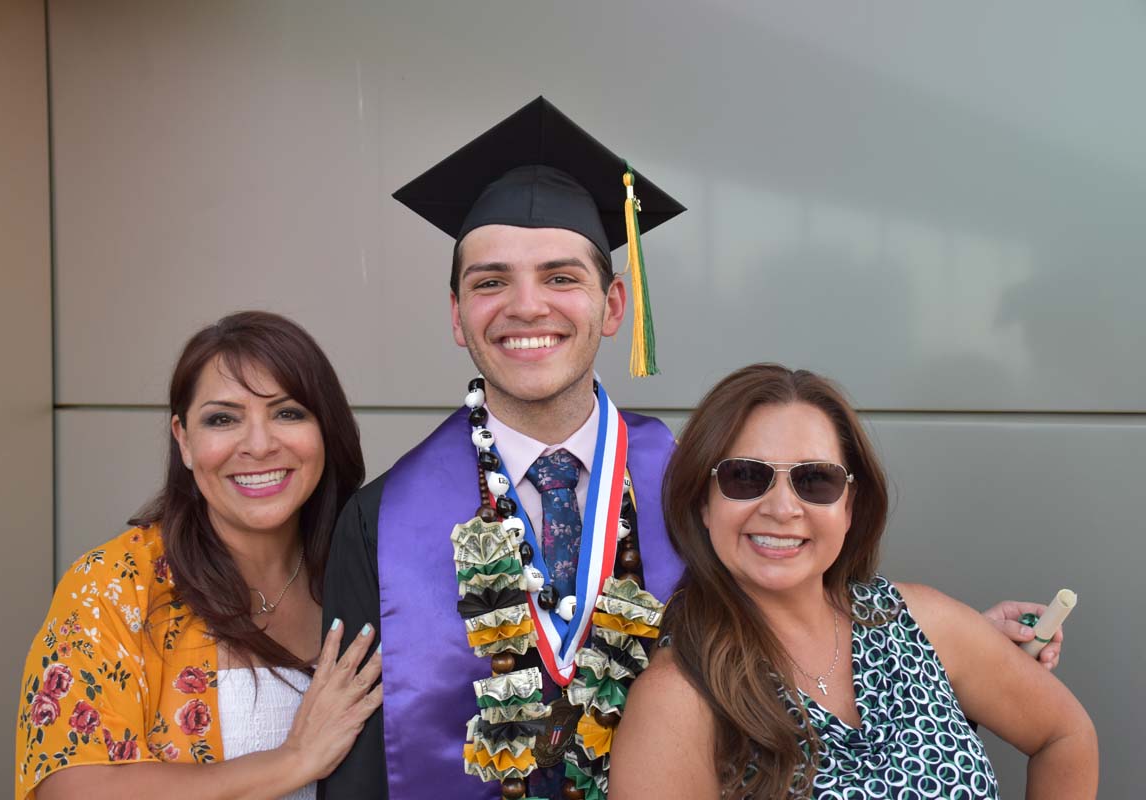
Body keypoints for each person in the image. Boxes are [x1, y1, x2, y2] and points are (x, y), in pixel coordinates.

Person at [320, 99, 1063, 800]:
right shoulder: (381, 524)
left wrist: (960, 652)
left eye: (560, 277)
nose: (526, 306)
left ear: (613, 305)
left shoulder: (700, 485)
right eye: (491, 282)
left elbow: (808, 618)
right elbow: (358, 767)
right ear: (458, 315)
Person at [610, 364, 1097, 799]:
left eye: (815, 480)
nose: (782, 508)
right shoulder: (677, 701)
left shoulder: (920, 621)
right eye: (745, 477)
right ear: (703, 502)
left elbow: (1065, 735)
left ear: (849, 505)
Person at [15, 311, 383, 800]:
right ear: (184, 440)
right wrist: (294, 759)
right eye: (222, 419)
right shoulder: (113, 585)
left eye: (288, 412)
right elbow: (71, 789)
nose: (258, 444)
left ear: (325, 431)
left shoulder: (373, 566)